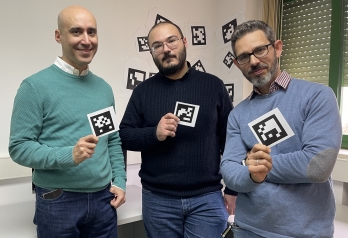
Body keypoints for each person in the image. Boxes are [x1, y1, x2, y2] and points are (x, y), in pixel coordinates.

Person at [9, 6, 126, 238]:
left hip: (104, 200)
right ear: (58, 36)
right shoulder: (34, 87)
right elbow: (19, 147)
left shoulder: (103, 89)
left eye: (91, 32)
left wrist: (120, 181)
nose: (86, 40)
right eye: (76, 32)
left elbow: (111, 140)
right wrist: (69, 155)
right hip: (58, 200)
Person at [220, 20, 342, 238]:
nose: (254, 61)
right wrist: (250, 171)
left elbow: (317, 166)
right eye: (244, 57)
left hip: (306, 233)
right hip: (248, 229)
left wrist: (253, 166)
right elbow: (229, 172)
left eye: (260, 50)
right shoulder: (237, 114)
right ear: (238, 64)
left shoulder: (317, 96)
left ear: (277, 48)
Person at [119, 21, 237, 238]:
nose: (166, 49)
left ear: (184, 42)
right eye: (157, 45)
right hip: (158, 199)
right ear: (152, 53)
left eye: (171, 40)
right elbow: (124, 136)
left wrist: (232, 188)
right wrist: (154, 133)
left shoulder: (213, 85)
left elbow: (230, 139)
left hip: (207, 198)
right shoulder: (143, 92)